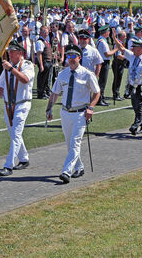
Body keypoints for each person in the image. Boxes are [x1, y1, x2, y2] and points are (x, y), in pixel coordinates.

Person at [46, 44, 100, 184]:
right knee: (69, 144)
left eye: (73, 57)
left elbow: (97, 92)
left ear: (79, 57)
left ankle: (66, 171)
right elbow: (55, 93)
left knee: (75, 143)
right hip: (65, 112)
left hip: (80, 113)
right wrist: (49, 108)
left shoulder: (87, 74)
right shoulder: (62, 74)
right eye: (68, 56)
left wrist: (91, 108)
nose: (70, 59)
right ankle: (79, 167)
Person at [0, 40, 35, 177]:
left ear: (20, 53)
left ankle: (8, 165)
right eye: (9, 51)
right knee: (13, 133)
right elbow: (2, 85)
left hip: (22, 103)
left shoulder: (27, 65)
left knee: (15, 133)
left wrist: (11, 69)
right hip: (8, 104)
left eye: (12, 51)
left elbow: (25, 79)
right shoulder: (8, 66)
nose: (9, 53)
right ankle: (23, 158)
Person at [113, 35, 142, 135]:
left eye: (135, 47)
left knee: (140, 106)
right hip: (133, 85)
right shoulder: (132, 56)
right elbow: (121, 48)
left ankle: (135, 125)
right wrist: (115, 38)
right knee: (135, 106)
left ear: (140, 49)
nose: (132, 48)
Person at [96, 25, 117, 106]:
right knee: (102, 82)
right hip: (104, 62)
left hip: (102, 61)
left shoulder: (101, 40)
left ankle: (101, 97)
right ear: (105, 33)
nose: (109, 33)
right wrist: (116, 49)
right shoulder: (103, 42)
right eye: (108, 32)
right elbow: (107, 54)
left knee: (102, 81)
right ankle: (99, 99)